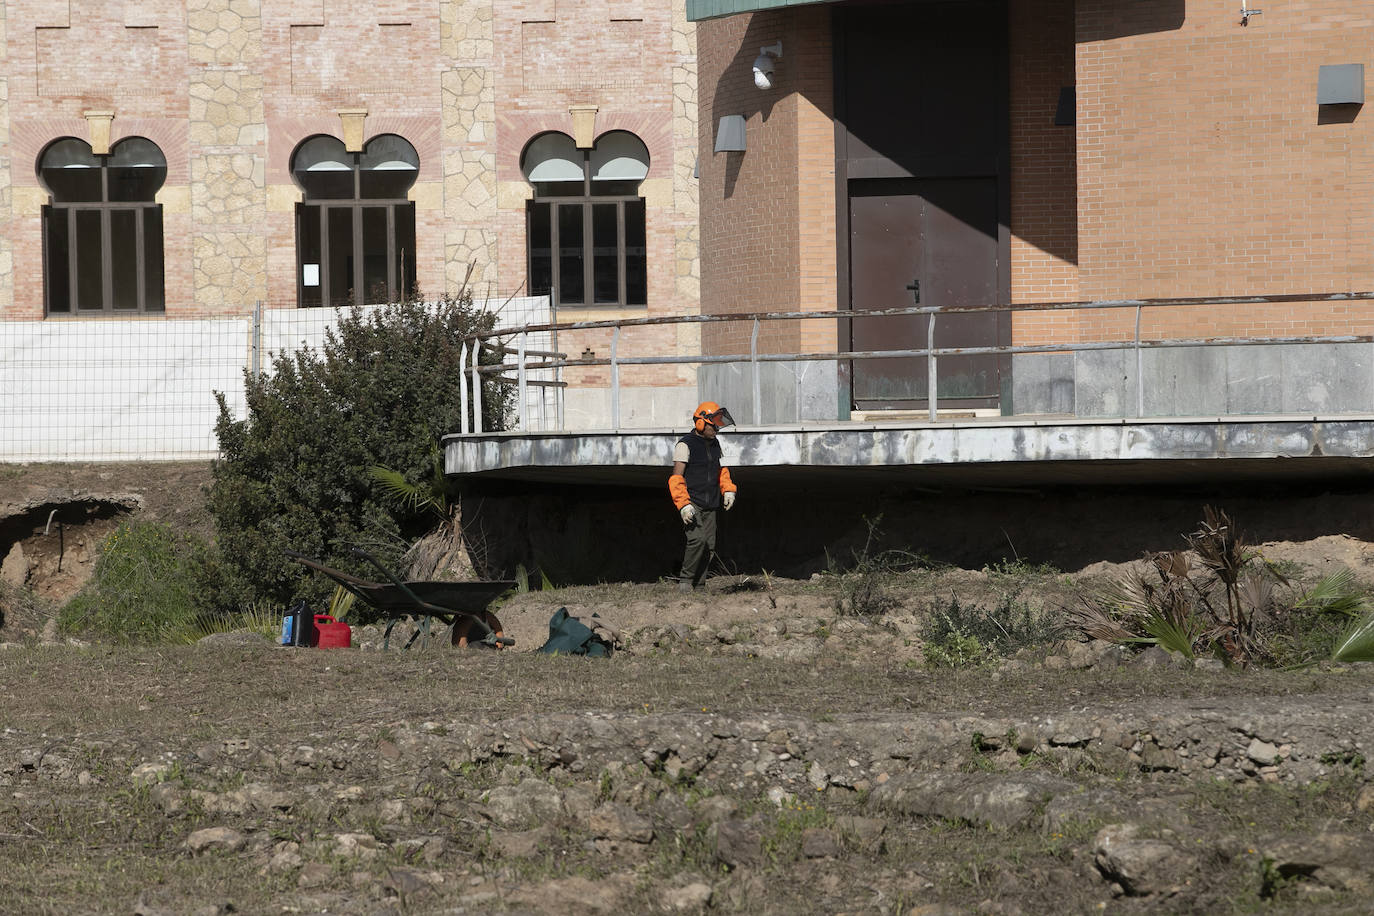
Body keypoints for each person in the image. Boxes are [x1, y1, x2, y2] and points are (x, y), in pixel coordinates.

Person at [668, 402, 738, 591]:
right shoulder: (685, 445)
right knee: (697, 540)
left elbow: (722, 470)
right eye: (713, 423)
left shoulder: (715, 444)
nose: (717, 427)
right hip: (692, 503)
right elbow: (676, 478)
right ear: (700, 423)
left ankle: (699, 586)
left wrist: (728, 489)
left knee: (710, 546)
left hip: (711, 503)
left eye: (718, 423)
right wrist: (683, 504)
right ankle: (685, 582)